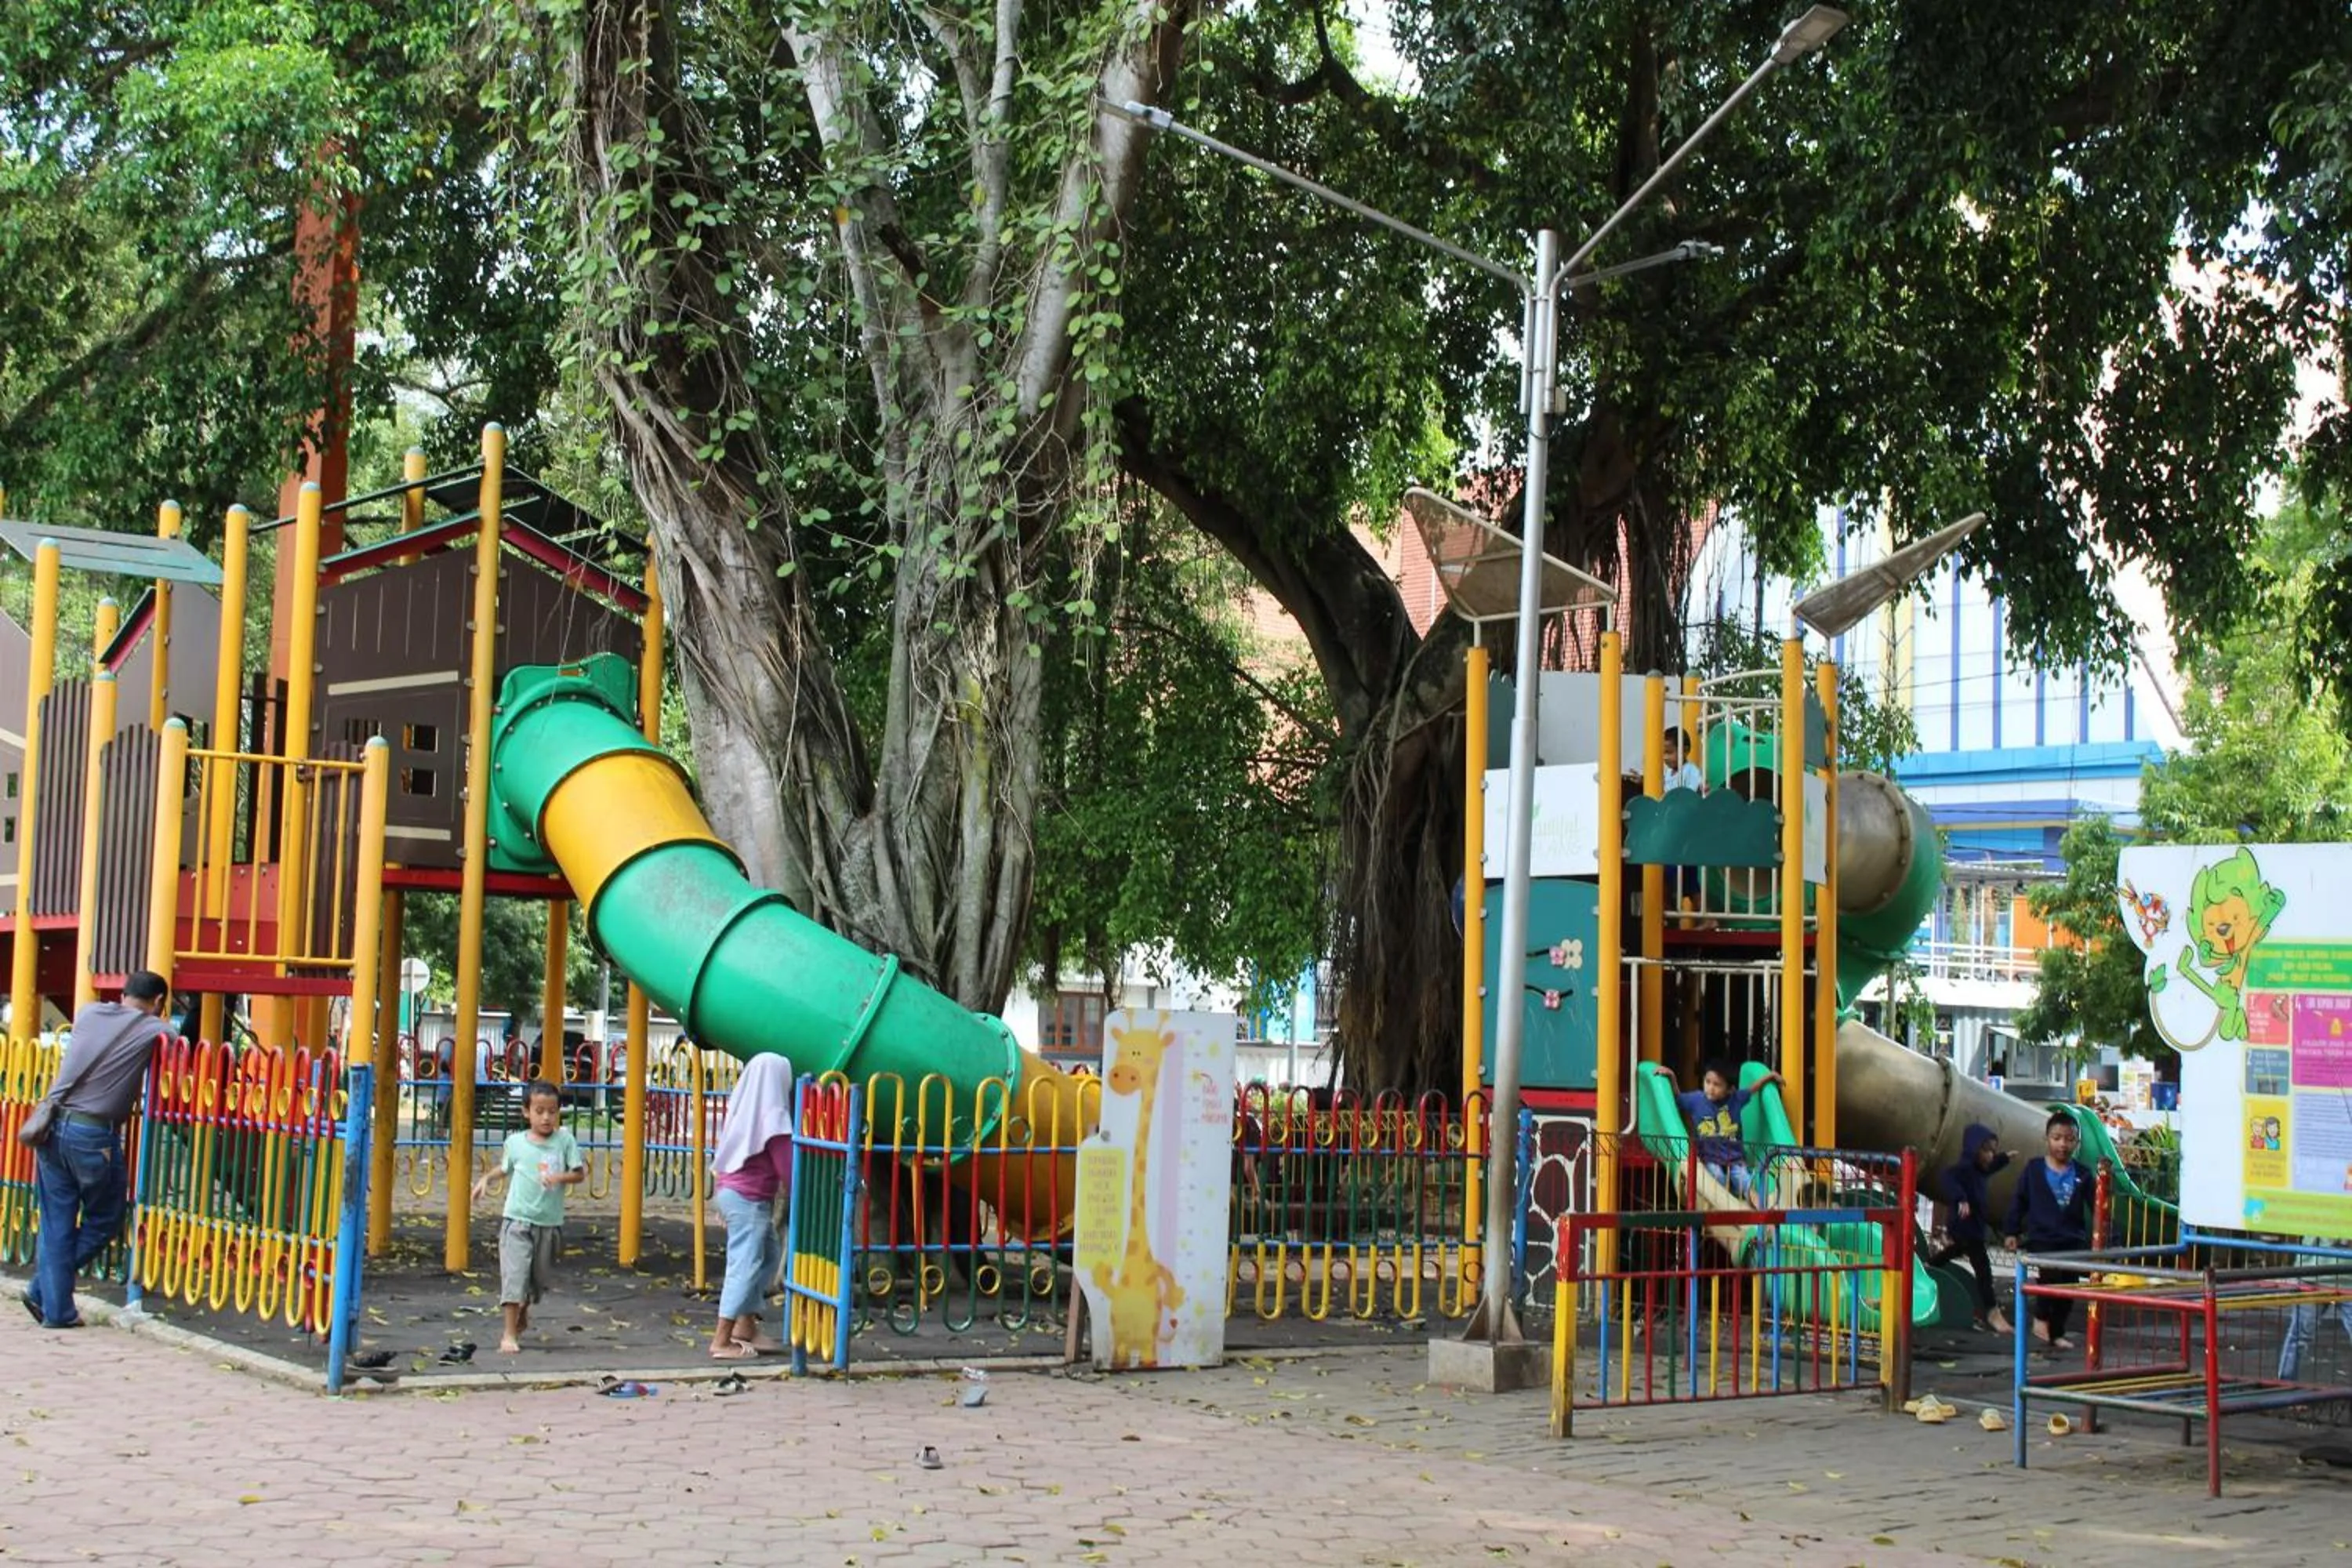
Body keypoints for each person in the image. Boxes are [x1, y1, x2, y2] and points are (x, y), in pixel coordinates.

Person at [21, 971, 174, 1330]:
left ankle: (56, 1309)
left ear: (123, 994)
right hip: (91, 1135)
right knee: (106, 1217)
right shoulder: (153, 1028)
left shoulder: (89, 1013)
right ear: (158, 1002)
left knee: (57, 1220)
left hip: (50, 1128)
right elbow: (173, 1037)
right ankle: (44, 1288)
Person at [470, 1080, 583, 1354]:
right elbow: (506, 1167)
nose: (546, 1117)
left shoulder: (565, 1141)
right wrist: (486, 1179)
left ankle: (523, 1309)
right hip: (517, 1220)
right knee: (514, 1276)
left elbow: (579, 1174)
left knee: (536, 1280)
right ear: (526, 1112)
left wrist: (559, 1177)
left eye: (552, 1111)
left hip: (549, 1223)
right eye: (540, 1111)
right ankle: (509, 1334)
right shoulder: (516, 1143)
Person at [708, 1054, 794, 1359]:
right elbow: (788, 1167)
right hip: (748, 1200)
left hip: (733, 1192)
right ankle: (721, 1340)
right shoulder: (774, 1117)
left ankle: (745, 1326)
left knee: (769, 1255)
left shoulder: (744, 1109)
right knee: (744, 1265)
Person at [2003, 1109, 2092, 1351]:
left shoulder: (2083, 1175)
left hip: (2071, 1238)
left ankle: (2056, 1332)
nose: (2063, 1144)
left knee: (2069, 1287)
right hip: (2042, 1237)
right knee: (2049, 1277)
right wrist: (2011, 1232)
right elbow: (2019, 1201)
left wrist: (2106, 1238)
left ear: (2076, 1142)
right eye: (2057, 1138)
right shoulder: (2034, 1170)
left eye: (2069, 1139)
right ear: (2047, 1139)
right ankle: (2041, 1320)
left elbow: (2099, 1206)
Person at [1930, 1123, 2013, 1334]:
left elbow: (1991, 1167)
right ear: (1973, 1149)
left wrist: (2004, 1158)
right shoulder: (1963, 1169)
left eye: (1992, 1151)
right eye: (1986, 1150)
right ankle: (1992, 1311)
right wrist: (1961, 1199)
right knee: (1983, 1268)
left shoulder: (1979, 1170)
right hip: (1965, 1226)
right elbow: (1947, 1178)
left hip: (1973, 1227)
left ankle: (1927, 1268)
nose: (1989, 1156)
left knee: (1954, 1251)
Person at [1661, 1059, 1780, 1200]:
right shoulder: (1696, 1100)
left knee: (1743, 1179)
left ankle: (1755, 1203)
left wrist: (1770, 1076)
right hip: (1709, 1158)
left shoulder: (1736, 1099)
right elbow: (1677, 1098)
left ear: (1730, 1089)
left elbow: (1753, 1089)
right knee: (1717, 1177)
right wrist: (1672, 1077)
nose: (1710, 1088)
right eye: (1708, 1082)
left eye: (1717, 1085)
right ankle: (1727, 1202)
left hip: (1734, 1157)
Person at [2278, 1237, 2352, 1381]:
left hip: (2319, 1272)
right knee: (2299, 1335)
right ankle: (2285, 1384)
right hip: (2317, 1273)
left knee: (2299, 1335)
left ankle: (2285, 1385)